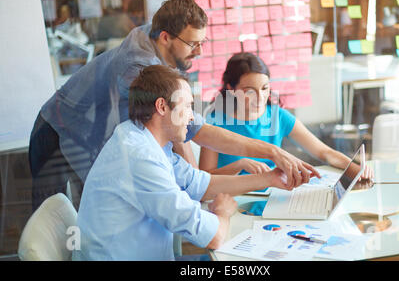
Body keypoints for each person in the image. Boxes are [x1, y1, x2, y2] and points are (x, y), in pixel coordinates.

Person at [29, 0, 317, 211]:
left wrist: (196, 181)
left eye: (202, 42)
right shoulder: (138, 67)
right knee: (69, 222)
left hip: (92, 129)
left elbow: (183, 126)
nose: (200, 51)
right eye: (194, 44)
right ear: (166, 37)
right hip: (61, 130)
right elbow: (192, 129)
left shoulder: (159, 36)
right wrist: (271, 151)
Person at [72, 65, 291, 261]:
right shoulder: (139, 157)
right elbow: (212, 238)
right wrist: (222, 213)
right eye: (186, 106)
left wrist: (270, 179)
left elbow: (200, 184)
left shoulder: (143, 138)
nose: (192, 118)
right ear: (162, 107)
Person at [200, 52, 372, 180]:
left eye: (265, 88)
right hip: (235, 201)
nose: (260, 98)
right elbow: (205, 177)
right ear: (231, 88)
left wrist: (355, 169)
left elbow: (323, 152)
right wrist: (240, 165)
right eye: (249, 91)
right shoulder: (216, 122)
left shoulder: (278, 116)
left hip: (274, 196)